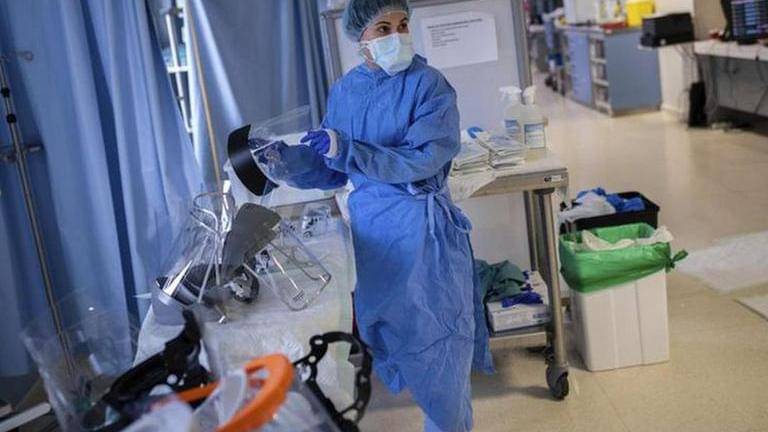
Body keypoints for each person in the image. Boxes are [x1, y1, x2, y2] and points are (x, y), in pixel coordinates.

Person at [276, 1, 494, 430]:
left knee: (438, 351)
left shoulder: (429, 86)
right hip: (374, 235)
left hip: (422, 233)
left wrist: (349, 149)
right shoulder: (346, 91)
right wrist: (285, 162)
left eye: (402, 24)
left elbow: (423, 160)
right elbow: (332, 167)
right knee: (391, 337)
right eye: (383, 28)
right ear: (361, 39)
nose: (397, 35)